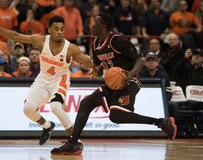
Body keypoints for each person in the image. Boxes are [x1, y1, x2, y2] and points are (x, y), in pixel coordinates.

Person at [51, 13, 177, 155]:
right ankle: (73, 143)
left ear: (102, 27)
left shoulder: (118, 41)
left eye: (95, 23)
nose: (91, 26)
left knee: (116, 116)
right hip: (113, 84)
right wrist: (96, 70)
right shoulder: (96, 45)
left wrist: (130, 74)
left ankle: (161, 122)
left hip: (129, 81)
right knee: (86, 103)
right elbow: (99, 70)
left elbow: (139, 61)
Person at [0, 15, 93, 145]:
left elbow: (87, 60)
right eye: (56, 29)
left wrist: (98, 68)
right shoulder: (41, 41)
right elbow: (16, 36)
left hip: (60, 79)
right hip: (43, 78)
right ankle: (47, 126)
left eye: (62, 29)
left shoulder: (70, 48)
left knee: (55, 107)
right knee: (27, 109)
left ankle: (75, 140)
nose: (60, 32)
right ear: (49, 29)